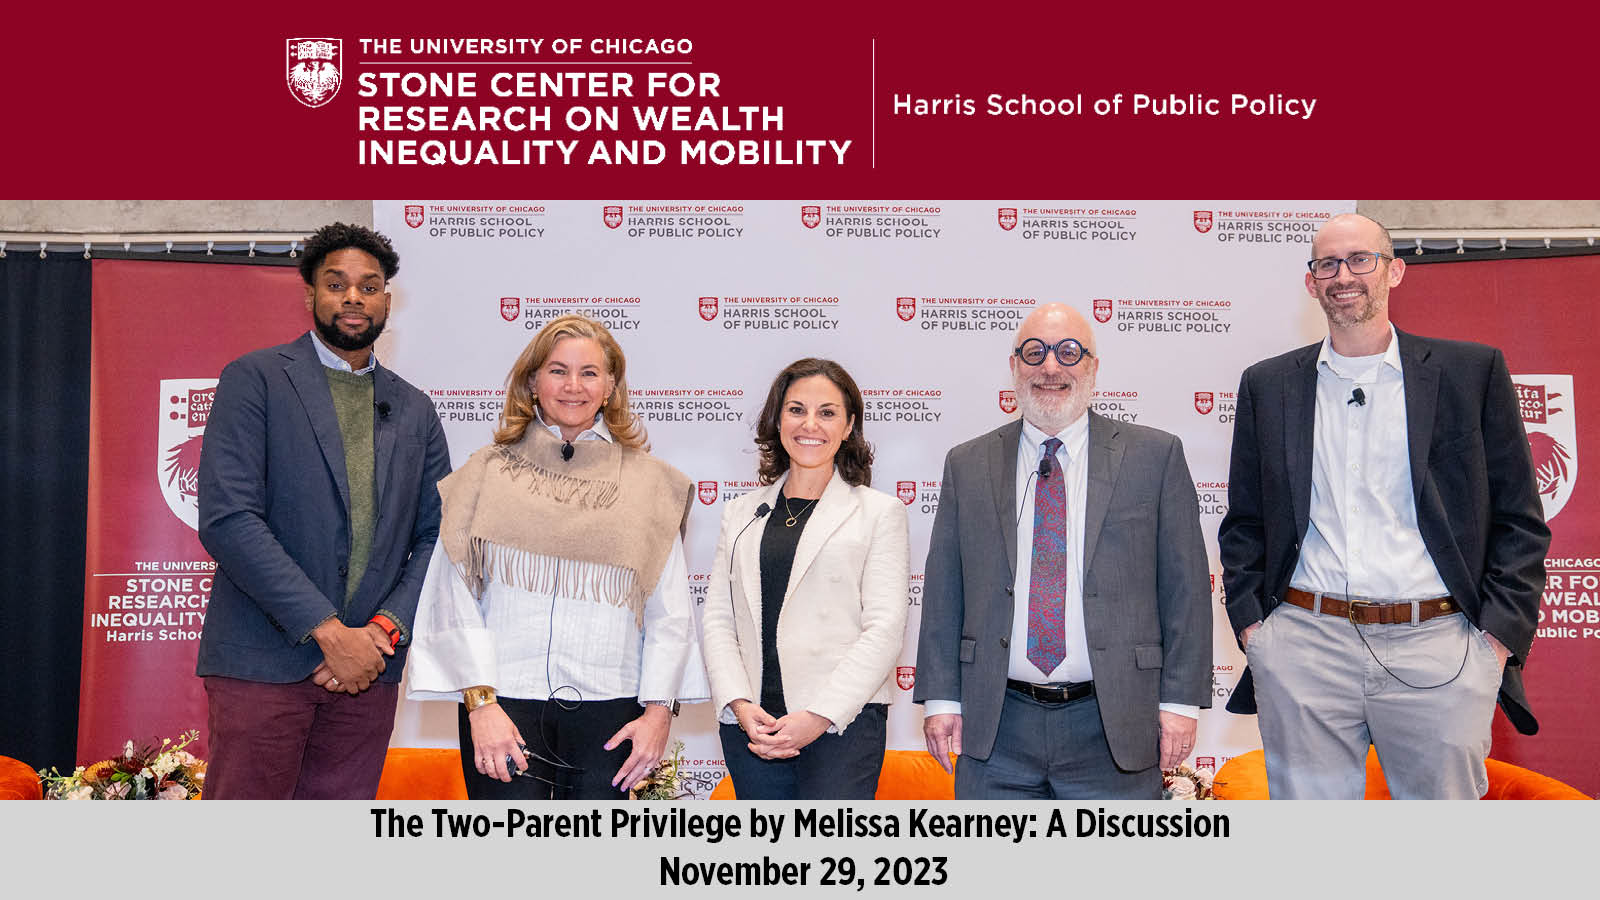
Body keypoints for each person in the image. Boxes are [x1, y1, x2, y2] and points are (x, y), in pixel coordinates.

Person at [1219, 213, 1550, 799]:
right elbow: (1245, 521)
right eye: (1327, 263)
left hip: (1439, 646)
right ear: (1310, 281)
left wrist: (1494, 641)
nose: (1343, 275)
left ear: (1394, 270)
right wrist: (1256, 632)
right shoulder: (1268, 385)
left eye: (1360, 260)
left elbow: (1519, 520)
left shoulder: (1470, 373)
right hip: (1304, 646)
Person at [913, 302, 1212, 799]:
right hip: (997, 724)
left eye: (1068, 352)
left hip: (1115, 722)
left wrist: (1179, 702)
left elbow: (1185, 588)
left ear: (1094, 367)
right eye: (1034, 353)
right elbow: (945, 588)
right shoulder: (967, 463)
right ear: (1013, 367)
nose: (1050, 367)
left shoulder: (1154, 456)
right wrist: (941, 698)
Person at [196, 222, 451, 799]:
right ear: (310, 293)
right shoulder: (254, 379)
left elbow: (438, 534)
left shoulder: (415, 409)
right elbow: (230, 518)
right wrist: (328, 633)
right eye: (337, 284)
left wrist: (378, 635)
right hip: (263, 661)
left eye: (369, 285)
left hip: (368, 672)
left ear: (388, 299)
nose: (353, 298)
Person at [407, 314, 702, 799]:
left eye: (589, 373)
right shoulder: (484, 474)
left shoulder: (650, 483)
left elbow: (669, 610)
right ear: (533, 382)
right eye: (558, 370)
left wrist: (657, 714)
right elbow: (451, 593)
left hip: (611, 708)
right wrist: (480, 705)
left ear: (610, 386)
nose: (573, 386)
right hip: (504, 708)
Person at [700, 358, 910, 799]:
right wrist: (739, 704)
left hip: (841, 728)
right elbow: (719, 620)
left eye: (827, 412)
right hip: (752, 729)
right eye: (796, 409)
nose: (809, 424)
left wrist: (818, 716)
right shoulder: (741, 513)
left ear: (849, 425)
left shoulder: (878, 513)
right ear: (777, 420)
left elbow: (884, 630)